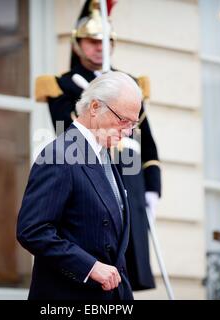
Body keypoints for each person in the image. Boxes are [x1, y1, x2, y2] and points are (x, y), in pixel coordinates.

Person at [41, 0, 161, 291]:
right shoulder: (64, 85)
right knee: (95, 263)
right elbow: (69, 134)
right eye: (92, 40)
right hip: (91, 179)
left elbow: (146, 140)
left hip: (129, 180)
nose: (99, 46)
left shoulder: (128, 84)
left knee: (128, 270)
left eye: (105, 40)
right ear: (77, 44)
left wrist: (152, 187)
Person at [17, 71, 141, 300]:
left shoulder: (104, 156)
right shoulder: (59, 155)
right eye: (123, 120)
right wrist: (90, 267)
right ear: (94, 107)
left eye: (134, 123)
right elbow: (32, 230)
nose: (128, 131)